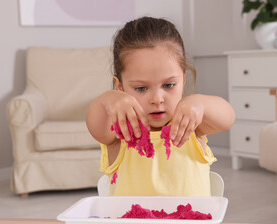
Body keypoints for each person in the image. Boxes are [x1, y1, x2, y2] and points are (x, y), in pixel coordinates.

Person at [86, 16, 235, 196]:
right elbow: (94, 124)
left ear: (183, 79)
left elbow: (228, 117)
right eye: (141, 88)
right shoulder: (120, 132)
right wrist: (108, 100)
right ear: (120, 87)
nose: (157, 99)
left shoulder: (191, 126)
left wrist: (201, 104)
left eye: (169, 85)